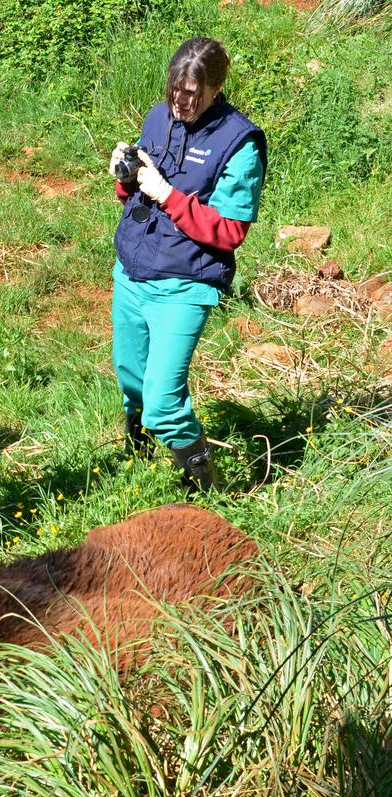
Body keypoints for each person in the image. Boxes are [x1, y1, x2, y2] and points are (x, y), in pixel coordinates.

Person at [110, 37, 266, 490]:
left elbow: (230, 230)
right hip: (133, 272)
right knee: (132, 381)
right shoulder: (158, 116)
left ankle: (209, 490)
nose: (180, 102)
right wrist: (125, 174)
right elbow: (136, 190)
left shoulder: (239, 142)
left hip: (185, 282)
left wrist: (168, 195)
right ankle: (135, 465)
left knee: (161, 402)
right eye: (174, 90)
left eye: (193, 94)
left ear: (216, 88)